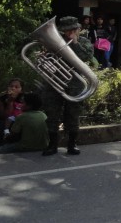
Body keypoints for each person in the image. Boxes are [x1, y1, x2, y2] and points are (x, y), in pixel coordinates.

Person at [41, 16, 97, 156]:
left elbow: (85, 58)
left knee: (73, 115)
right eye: (67, 31)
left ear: (78, 29)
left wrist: (75, 42)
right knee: (52, 113)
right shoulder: (53, 41)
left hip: (75, 84)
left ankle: (72, 144)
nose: (70, 33)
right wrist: (44, 56)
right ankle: (52, 145)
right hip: (54, 82)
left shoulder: (84, 42)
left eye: (73, 30)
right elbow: (47, 60)